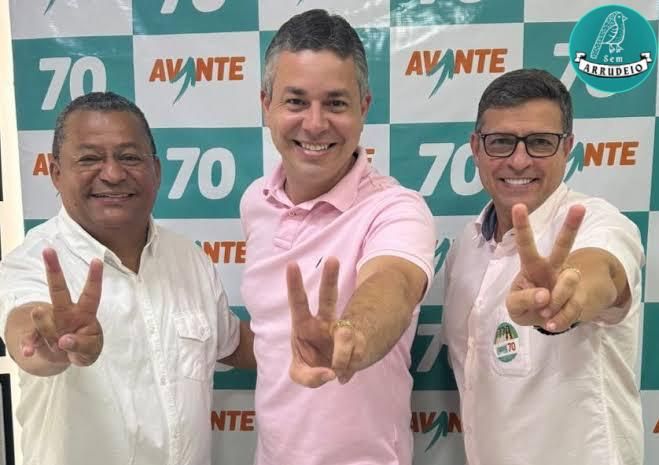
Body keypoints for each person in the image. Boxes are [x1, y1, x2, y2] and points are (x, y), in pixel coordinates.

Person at [0, 92, 255, 465]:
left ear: (156, 171)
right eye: (89, 159)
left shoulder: (189, 258)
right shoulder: (34, 262)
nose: (113, 174)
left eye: (130, 157)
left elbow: (232, 343)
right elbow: (28, 335)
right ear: (55, 172)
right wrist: (56, 341)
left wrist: (313, 339)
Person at [239, 9, 436, 465]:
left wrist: (351, 336)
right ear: (266, 105)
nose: (314, 124)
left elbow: (393, 285)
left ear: (363, 108)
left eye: (335, 103)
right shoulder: (255, 201)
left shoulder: (397, 209)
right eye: (296, 102)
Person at [442, 69, 644, 465]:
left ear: (567, 148)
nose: (519, 161)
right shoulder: (465, 247)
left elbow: (601, 271)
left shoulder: (598, 223)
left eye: (539, 143)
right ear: (476, 148)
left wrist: (567, 295)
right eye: (501, 142)